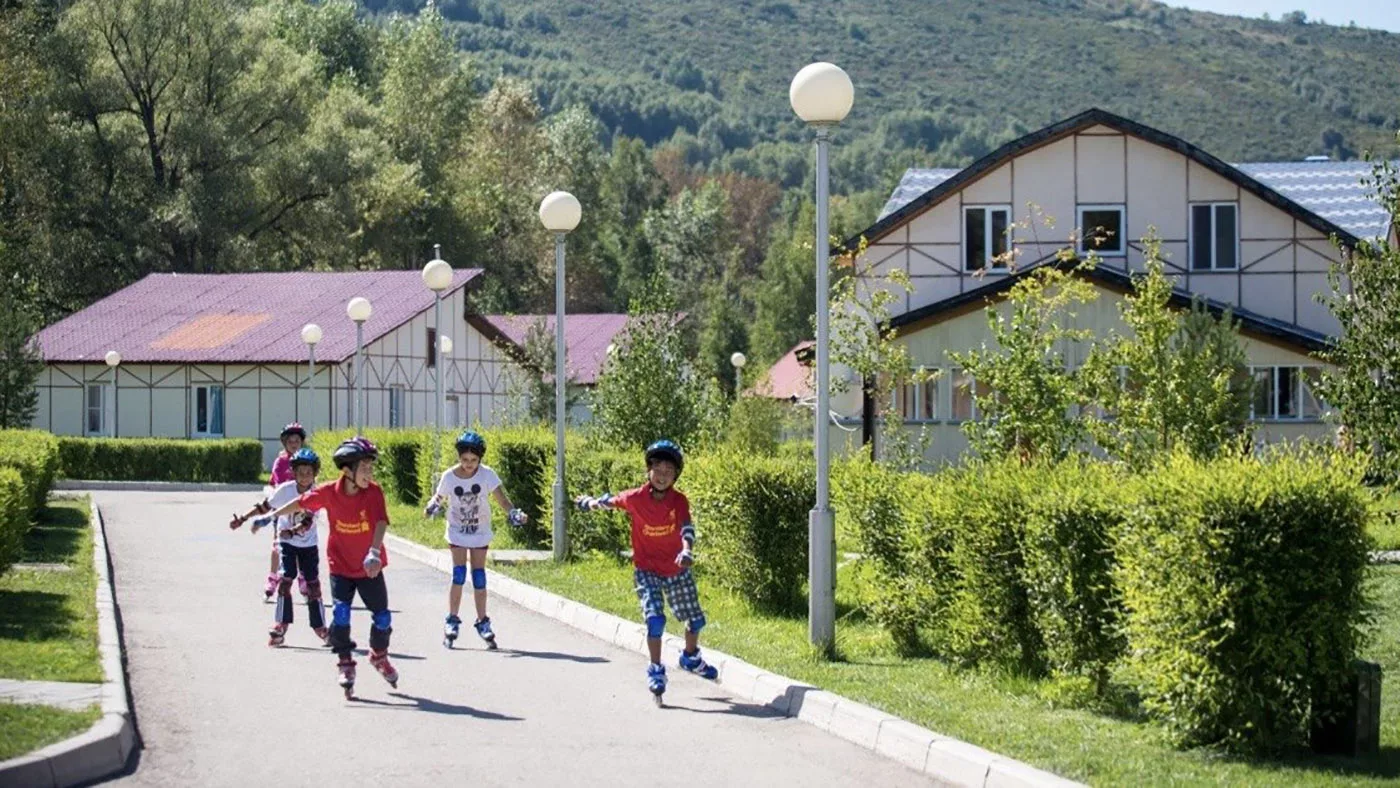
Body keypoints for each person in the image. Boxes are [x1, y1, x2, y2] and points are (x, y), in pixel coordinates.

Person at [575, 440, 717, 705]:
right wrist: (589, 502)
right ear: (648, 470)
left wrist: (687, 551)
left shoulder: (679, 501)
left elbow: (686, 528)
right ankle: (656, 669)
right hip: (647, 569)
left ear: (676, 475)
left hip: (676, 567)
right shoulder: (635, 498)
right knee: (655, 620)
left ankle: (690, 657)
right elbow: (609, 502)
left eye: (669, 471)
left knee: (695, 621)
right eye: (658, 469)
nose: (662, 475)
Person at [253, 437, 396, 698]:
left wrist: (374, 551)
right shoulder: (330, 492)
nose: (369, 473)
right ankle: (345, 663)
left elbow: (381, 522)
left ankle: (379, 656)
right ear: (347, 470)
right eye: (364, 468)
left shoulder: (374, 492)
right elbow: (300, 503)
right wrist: (269, 516)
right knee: (341, 615)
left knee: (383, 618)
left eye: (371, 468)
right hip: (340, 566)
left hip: (369, 567)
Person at [424, 431, 527, 649]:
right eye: (464, 459)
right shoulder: (449, 476)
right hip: (457, 531)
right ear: (459, 457)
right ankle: (452, 620)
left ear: (480, 458)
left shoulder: (487, 475)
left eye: (473, 460)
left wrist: (514, 513)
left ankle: (482, 621)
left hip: (480, 531)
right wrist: (432, 506)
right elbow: (439, 497)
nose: (469, 464)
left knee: (479, 577)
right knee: (459, 574)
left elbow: (502, 500)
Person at [230, 448, 327, 647]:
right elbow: (265, 506)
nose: (305, 476)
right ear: (294, 472)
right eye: (300, 472)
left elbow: (307, 521)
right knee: (285, 581)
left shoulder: (316, 493)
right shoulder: (286, 489)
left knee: (312, 586)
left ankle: (320, 628)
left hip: (308, 544)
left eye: (309, 472)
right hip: (287, 544)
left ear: (315, 473)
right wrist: (243, 518)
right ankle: (280, 626)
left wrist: (292, 531)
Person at [263, 423, 309, 601]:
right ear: (285, 443)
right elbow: (280, 487)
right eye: (290, 441)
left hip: (301, 511)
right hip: (283, 511)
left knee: (301, 546)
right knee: (278, 546)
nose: (294, 444)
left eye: (297, 441)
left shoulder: (307, 461)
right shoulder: (281, 462)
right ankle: (272, 578)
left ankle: (303, 579)